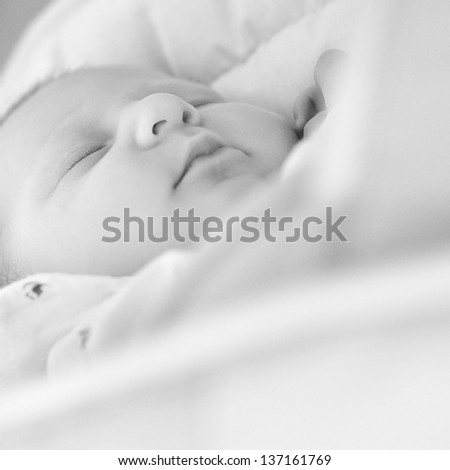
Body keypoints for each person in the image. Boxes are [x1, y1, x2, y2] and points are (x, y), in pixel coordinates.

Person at [0, 50, 345, 286]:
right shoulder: (64, 356)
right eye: (89, 154)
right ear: (37, 288)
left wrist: (354, 122)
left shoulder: (339, 177)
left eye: (198, 101)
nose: (164, 107)